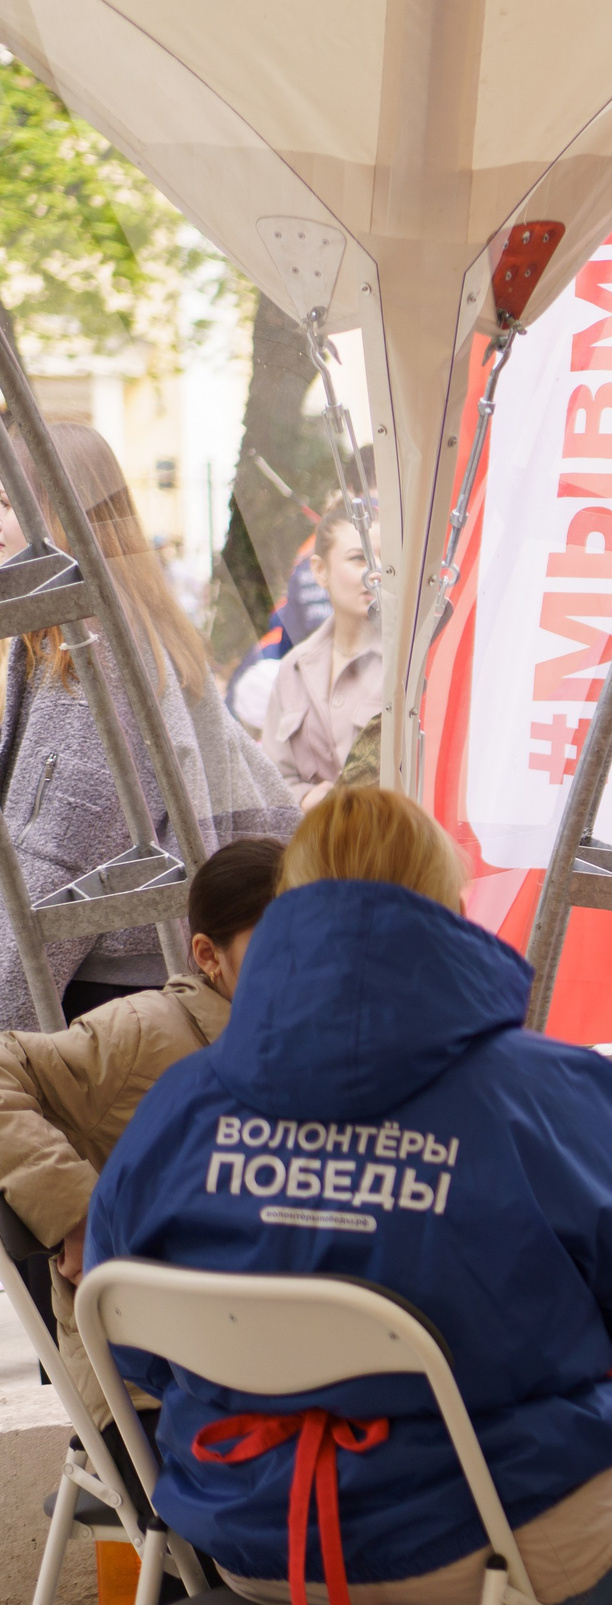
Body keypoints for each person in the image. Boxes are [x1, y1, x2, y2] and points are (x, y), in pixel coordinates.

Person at [86, 789, 612, 1605]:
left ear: (292, 912)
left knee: (574, 1505)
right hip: (494, 1537)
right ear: (449, 909)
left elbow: (136, 1350)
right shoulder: (553, 1091)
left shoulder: (179, 1108)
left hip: (253, 1538)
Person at [0, 422, 300, 1030]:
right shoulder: (114, 620)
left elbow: (60, 860)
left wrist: (8, 1028)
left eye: (6, 501)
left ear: (57, 514)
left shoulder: (91, 649)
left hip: (110, 998)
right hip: (151, 972)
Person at [0, 835, 281, 1425]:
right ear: (208, 955)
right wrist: (79, 1214)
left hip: (286, 1364)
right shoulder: (144, 1031)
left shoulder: (331, 1044)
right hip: (156, 1389)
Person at [261, 506, 386, 805]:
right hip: (315, 844)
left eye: (389, 560)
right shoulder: (295, 667)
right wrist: (306, 799)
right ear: (320, 570)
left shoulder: (414, 665)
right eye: (359, 558)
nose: (376, 572)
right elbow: (271, 781)